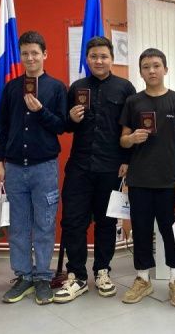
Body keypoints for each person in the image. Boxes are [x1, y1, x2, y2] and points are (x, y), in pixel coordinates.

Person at [53, 36, 135, 303]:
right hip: (80, 166)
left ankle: (102, 271)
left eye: (103, 56)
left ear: (112, 59)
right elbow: (66, 126)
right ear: (87, 59)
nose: (99, 61)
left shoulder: (125, 88)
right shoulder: (77, 87)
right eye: (93, 56)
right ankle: (76, 275)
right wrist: (71, 118)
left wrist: (127, 160)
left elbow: (130, 128)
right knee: (73, 221)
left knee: (106, 222)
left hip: (111, 167)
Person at [0, 31, 67, 305]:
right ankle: (23, 276)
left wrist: (40, 111)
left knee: (45, 224)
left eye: (35, 52)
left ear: (45, 54)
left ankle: (43, 278)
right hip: (14, 167)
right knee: (19, 226)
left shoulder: (56, 88)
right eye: (25, 53)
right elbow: (2, 128)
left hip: (44, 167)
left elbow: (62, 126)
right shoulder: (12, 88)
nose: (30, 57)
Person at [119, 48, 175, 307]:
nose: (151, 70)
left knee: (171, 232)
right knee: (141, 230)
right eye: (146, 66)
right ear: (140, 71)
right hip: (139, 179)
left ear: (165, 69)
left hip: (169, 180)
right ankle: (143, 279)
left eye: (156, 65)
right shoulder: (133, 102)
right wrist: (132, 138)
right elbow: (123, 141)